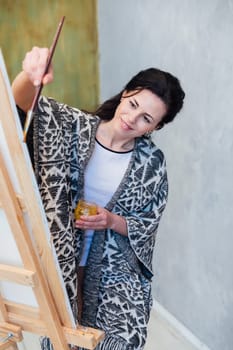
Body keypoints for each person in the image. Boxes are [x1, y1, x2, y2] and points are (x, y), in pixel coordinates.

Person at [12, 46, 185, 350]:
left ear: (157, 127)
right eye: (132, 104)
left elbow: (147, 223)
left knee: (122, 339)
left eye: (146, 118)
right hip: (60, 255)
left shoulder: (151, 164)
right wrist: (31, 75)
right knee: (62, 338)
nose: (132, 118)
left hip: (114, 269)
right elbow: (21, 103)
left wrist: (110, 220)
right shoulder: (72, 126)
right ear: (125, 92)